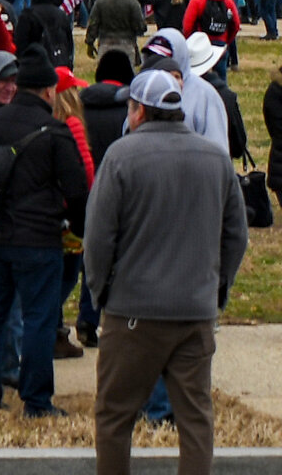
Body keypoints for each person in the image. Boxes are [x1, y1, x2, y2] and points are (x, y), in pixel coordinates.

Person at [85, 67, 249, 475]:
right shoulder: (215, 158)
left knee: (114, 415)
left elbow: (99, 237)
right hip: (196, 310)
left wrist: (100, 292)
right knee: (196, 418)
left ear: (139, 111)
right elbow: (237, 236)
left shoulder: (120, 156)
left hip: (133, 311)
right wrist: (216, 289)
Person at [0, 53, 89, 416]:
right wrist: (76, 230)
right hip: (38, 240)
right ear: (48, 92)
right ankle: (37, 401)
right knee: (39, 319)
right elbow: (76, 191)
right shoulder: (55, 131)